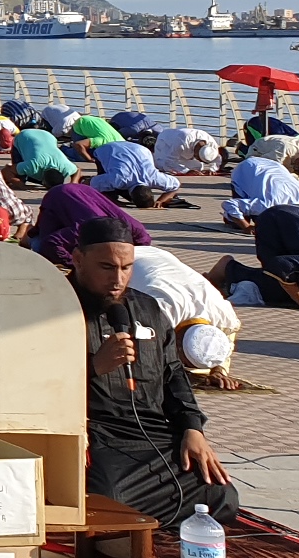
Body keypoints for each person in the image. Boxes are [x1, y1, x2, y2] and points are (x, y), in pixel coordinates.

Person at [70, 218, 238, 525]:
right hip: (95, 434)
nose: (118, 279)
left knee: (221, 494)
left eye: (126, 267)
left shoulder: (148, 309)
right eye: (106, 267)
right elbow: (31, 384)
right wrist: (93, 367)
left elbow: (173, 374)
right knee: (108, 498)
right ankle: (128, 521)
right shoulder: (55, 308)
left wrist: (192, 428)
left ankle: (134, 524)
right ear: (78, 260)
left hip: (151, 432)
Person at [129, 245, 244, 389]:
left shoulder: (225, 317)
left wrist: (218, 369)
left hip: (160, 257)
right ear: (176, 343)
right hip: (131, 259)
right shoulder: (160, 311)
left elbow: (226, 341)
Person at [29, 183, 150, 272]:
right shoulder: (86, 228)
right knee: (39, 244)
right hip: (57, 197)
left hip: (82, 192)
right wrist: (77, 265)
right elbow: (50, 243)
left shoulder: (132, 228)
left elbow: (144, 243)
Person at [84, 139, 182, 209]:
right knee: (105, 187)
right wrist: (114, 202)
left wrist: (161, 200)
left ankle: (107, 186)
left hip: (138, 149)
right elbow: (88, 185)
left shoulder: (154, 178)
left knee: (109, 184)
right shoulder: (119, 180)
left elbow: (175, 185)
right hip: (107, 149)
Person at [8, 127, 74, 190]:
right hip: (24, 136)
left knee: (25, 173)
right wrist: (20, 184)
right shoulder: (33, 165)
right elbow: (7, 171)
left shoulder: (65, 167)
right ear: (44, 181)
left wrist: (73, 184)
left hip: (48, 136)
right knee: (19, 176)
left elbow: (77, 171)